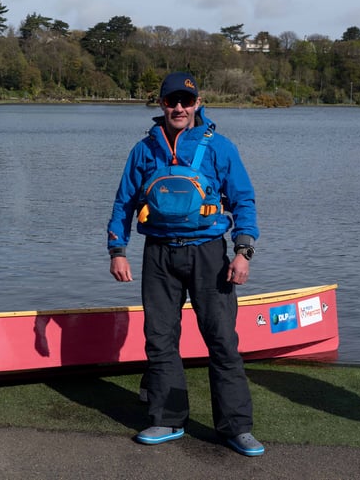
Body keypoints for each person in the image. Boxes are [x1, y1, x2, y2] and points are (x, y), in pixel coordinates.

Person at [107, 72, 264, 457]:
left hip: (209, 254)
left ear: (196, 104)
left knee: (222, 341)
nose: (178, 108)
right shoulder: (144, 150)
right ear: (160, 105)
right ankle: (168, 418)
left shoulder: (219, 147)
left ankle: (236, 427)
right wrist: (117, 249)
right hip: (159, 254)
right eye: (170, 101)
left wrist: (243, 252)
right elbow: (123, 202)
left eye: (185, 101)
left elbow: (243, 200)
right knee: (160, 339)